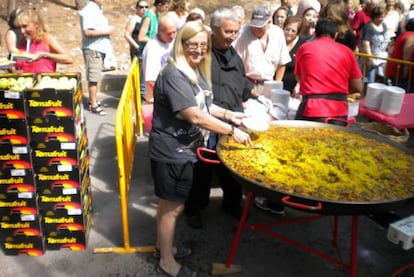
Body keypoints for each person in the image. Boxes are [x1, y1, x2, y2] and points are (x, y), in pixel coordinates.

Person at [149, 20, 251, 277]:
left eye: (202, 45)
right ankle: (167, 262)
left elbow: (204, 105)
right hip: (172, 151)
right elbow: (195, 116)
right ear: (180, 44)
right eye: (191, 44)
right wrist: (231, 131)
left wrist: (230, 115)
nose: (197, 49)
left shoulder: (194, 70)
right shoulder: (174, 74)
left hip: (183, 148)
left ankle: (164, 248)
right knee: (174, 208)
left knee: (167, 206)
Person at [184, 8, 254, 228]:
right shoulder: (201, 54)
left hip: (231, 119)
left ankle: (232, 204)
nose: (232, 37)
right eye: (227, 32)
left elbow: (242, 84)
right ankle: (194, 209)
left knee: (231, 169)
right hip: (206, 120)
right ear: (214, 30)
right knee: (202, 170)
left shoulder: (234, 54)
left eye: (236, 32)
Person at [294, 18, 363, 123]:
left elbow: (300, 78)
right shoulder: (348, 52)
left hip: (311, 109)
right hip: (339, 112)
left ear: (315, 34)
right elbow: (358, 87)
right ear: (336, 35)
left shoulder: (304, 48)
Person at [234, 5, 291, 98]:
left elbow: (282, 62)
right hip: (247, 84)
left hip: (270, 85)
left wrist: (276, 85)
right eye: (254, 26)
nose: (256, 29)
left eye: (260, 27)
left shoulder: (278, 34)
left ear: (269, 22)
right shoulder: (243, 33)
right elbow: (236, 64)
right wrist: (245, 86)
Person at [80, 0, 114, 115]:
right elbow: (87, 31)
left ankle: (92, 100)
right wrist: (106, 31)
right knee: (93, 77)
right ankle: (93, 104)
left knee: (96, 75)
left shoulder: (97, 9)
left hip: (99, 48)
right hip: (93, 48)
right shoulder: (89, 10)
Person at [13, 8, 73, 73]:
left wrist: (44, 55)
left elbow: (69, 59)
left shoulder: (46, 38)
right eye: (19, 27)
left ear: (36, 25)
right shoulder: (22, 42)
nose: (22, 31)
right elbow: (17, 67)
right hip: (25, 82)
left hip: (45, 81)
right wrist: (13, 70)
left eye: (25, 26)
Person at [138, 0, 170, 103]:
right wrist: (155, 41)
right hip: (146, 53)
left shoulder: (156, 15)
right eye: (165, 6)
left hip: (154, 53)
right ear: (159, 4)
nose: (166, 9)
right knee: (145, 85)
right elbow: (141, 37)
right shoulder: (148, 16)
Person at [142, 15, 177, 103]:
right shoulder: (152, 48)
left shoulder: (171, 41)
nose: (172, 36)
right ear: (159, 31)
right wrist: (171, 96)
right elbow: (151, 81)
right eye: (169, 33)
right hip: (157, 99)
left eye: (174, 32)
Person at [360, 5, 390, 83]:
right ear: (374, 17)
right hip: (370, 59)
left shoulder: (384, 25)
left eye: (383, 16)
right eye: (380, 17)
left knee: (380, 80)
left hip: (381, 58)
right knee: (370, 81)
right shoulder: (369, 27)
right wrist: (370, 59)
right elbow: (366, 44)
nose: (382, 19)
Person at [385, 18, 414, 89]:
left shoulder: (403, 34)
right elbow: (407, 55)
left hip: (396, 70)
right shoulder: (412, 37)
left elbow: (391, 50)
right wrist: (405, 72)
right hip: (402, 73)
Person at [282, 16, 305, 95]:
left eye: (293, 31)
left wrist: (298, 85)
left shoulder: (302, 46)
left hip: (292, 89)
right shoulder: (277, 41)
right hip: (276, 85)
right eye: (287, 29)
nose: (289, 33)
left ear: (298, 32)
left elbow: (304, 69)